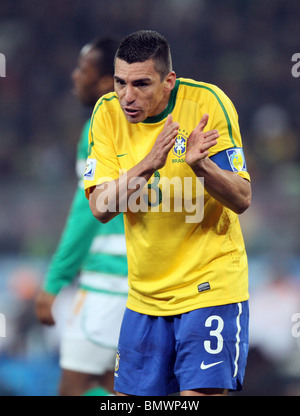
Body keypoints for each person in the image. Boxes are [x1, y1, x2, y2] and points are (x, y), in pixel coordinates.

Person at [84, 30, 251, 397]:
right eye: (120, 82)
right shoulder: (106, 112)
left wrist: (202, 166)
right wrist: (147, 165)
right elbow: (99, 208)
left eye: (141, 84)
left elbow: (241, 197)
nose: (128, 96)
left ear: (167, 81)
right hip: (145, 297)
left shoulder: (206, 104)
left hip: (209, 288)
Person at [35, 37, 128, 397]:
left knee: (72, 390)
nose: (75, 77)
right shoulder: (140, 125)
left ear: (106, 82)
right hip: (140, 284)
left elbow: (86, 212)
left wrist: (55, 281)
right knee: (117, 390)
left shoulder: (100, 126)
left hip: (106, 285)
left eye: (83, 69)